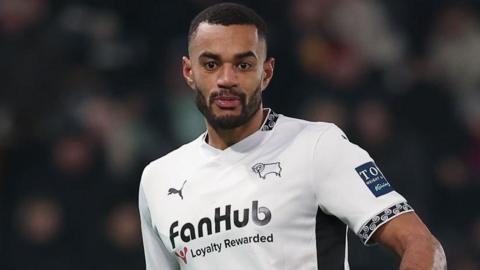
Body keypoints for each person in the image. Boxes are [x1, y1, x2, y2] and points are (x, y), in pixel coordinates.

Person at [138, 3, 446, 269]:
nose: (226, 79)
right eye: (211, 64)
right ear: (188, 72)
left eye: (243, 65)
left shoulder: (317, 146)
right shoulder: (158, 180)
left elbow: (421, 244)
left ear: (267, 73)